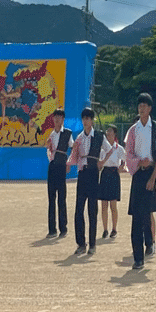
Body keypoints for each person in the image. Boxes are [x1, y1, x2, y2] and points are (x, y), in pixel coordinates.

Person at [124, 94, 156, 271]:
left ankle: (150, 242)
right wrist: (137, 163)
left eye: (145, 105)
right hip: (137, 175)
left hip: (150, 174)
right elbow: (128, 154)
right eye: (139, 105)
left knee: (146, 213)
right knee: (136, 216)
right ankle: (138, 258)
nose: (141, 108)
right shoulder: (133, 130)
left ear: (150, 108)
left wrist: (153, 178)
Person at [67, 108, 112, 257]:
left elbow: (110, 150)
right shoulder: (79, 137)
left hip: (93, 173)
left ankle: (92, 244)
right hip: (82, 173)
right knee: (79, 209)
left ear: (92, 120)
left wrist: (102, 162)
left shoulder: (99, 136)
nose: (85, 121)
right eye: (83, 118)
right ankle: (81, 243)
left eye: (88, 118)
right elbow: (74, 153)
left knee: (92, 210)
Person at [45, 108, 73, 239]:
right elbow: (49, 153)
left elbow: (74, 149)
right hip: (52, 167)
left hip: (62, 167)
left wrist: (69, 163)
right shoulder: (51, 135)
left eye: (60, 117)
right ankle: (52, 229)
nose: (57, 119)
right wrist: (49, 151)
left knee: (62, 198)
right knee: (51, 198)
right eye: (55, 117)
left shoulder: (67, 133)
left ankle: (63, 227)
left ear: (63, 119)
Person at [98, 125, 126, 239]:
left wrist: (121, 168)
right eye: (107, 131)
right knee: (104, 204)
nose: (108, 133)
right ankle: (105, 229)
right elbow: (99, 162)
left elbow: (125, 160)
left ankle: (114, 229)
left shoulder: (119, 148)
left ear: (115, 135)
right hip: (105, 174)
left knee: (113, 205)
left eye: (110, 131)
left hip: (114, 174)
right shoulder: (102, 149)